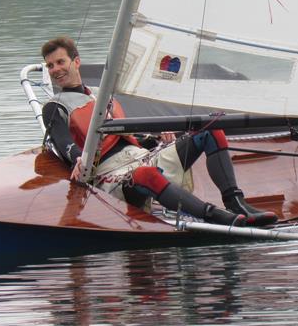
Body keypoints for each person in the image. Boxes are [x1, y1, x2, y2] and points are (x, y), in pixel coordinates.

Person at [40, 36, 278, 227]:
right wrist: (77, 157)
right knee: (146, 174)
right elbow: (63, 141)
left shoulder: (101, 96)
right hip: (109, 174)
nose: (55, 69)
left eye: (60, 62)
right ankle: (216, 217)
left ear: (76, 62)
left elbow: (128, 139)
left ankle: (236, 204)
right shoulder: (54, 106)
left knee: (210, 130)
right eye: (50, 65)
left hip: (140, 157)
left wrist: (155, 140)